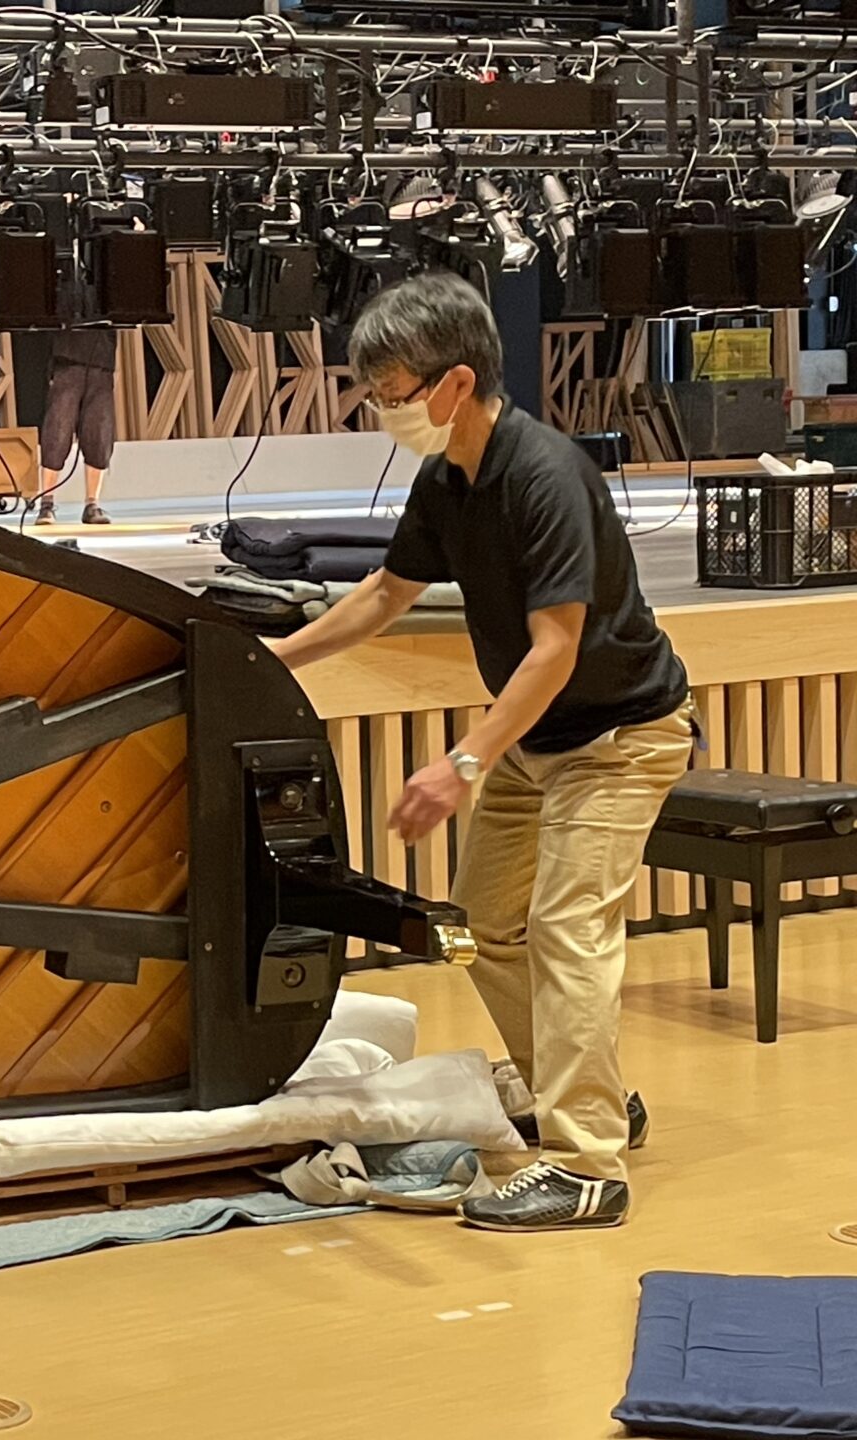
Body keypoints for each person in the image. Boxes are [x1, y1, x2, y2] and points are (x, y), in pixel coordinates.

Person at [265, 271, 692, 1233]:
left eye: (393, 392)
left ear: (455, 384)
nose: (384, 410)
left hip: (621, 738)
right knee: (485, 927)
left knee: (567, 929)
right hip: (538, 737)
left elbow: (555, 649)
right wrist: (269, 659)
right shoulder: (445, 478)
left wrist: (460, 764)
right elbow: (385, 595)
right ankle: (588, 1097)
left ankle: (587, 1168)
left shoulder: (545, 475)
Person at [33, 327, 116, 526]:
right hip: (66, 360)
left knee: (99, 433)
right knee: (57, 431)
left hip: (102, 362)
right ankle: (46, 503)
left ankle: (92, 503)